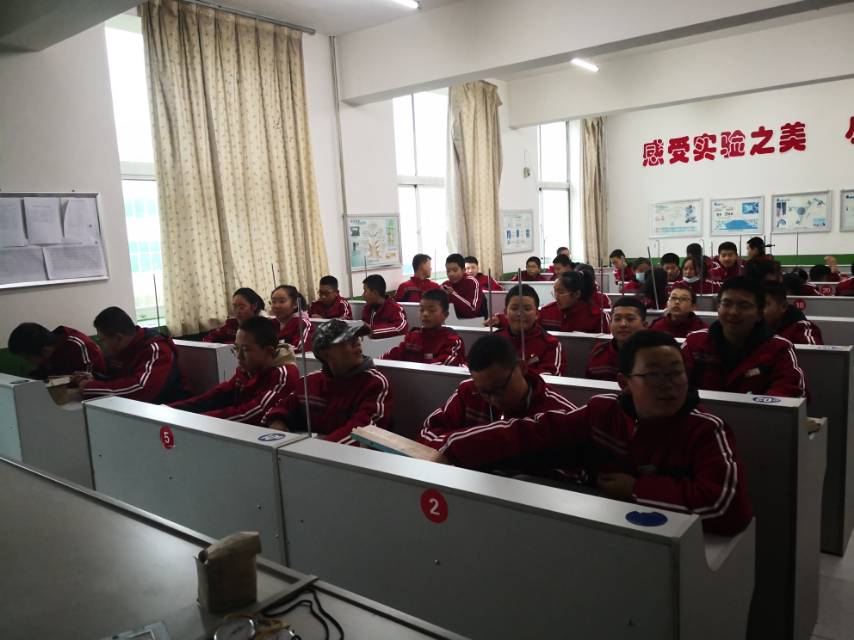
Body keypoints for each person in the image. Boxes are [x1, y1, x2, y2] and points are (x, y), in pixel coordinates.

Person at [428, 330, 754, 535]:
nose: (669, 385)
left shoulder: (706, 429)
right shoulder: (603, 412)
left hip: (684, 545)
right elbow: (535, 431)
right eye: (654, 375)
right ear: (625, 383)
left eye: (676, 373)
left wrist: (636, 489)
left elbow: (725, 507)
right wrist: (452, 449)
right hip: (610, 530)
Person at [418, 334, 576, 477]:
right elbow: (427, 434)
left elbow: (574, 473)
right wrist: (469, 447)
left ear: (521, 368)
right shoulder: (469, 391)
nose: (493, 399)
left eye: (501, 387)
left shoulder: (558, 410)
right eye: (485, 392)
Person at [263, 319, 393, 444]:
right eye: (347, 340)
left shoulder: (374, 383)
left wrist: (319, 449)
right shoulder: (309, 382)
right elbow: (282, 408)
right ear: (325, 354)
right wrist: (277, 425)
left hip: (352, 457)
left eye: (357, 338)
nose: (357, 343)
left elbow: (364, 431)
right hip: (311, 453)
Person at [681, 276, 806, 397]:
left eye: (744, 306)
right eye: (727, 304)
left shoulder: (779, 349)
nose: (733, 312)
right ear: (718, 307)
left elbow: (790, 392)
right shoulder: (695, 343)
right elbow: (676, 385)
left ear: (760, 314)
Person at [170, 317, 300, 425]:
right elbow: (217, 396)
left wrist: (198, 420)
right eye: (236, 348)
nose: (239, 356)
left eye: (246, 350)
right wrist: (171, 409)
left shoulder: (284, 375)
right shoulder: (247, 370)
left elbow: (253, 413)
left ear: (269, 351)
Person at [72, 306, 187, 403]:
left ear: (118, 338)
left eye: (102, 340)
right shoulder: (123, 350)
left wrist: (90, 388)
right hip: (144, 409)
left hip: (172, 409)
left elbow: (141, 389)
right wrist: (94, 378)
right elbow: (119, 378)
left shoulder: (156, 349)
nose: (101, 345)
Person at [381, 289, 466, 366]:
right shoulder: (412, 337)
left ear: (445, 315)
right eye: (422, 310)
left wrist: (414, 368)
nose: (425, 314)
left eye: (431, 310)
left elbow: (444, 367)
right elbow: (393, 355)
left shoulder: (452, 341)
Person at [496, 285, 566, 377]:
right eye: (514, 308)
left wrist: (521, 372)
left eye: (527, 309)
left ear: (537, 314)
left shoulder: (551, 344)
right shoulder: (495, 340)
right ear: (505, 313)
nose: (520, 313)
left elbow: (552, 377)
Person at [8, 322, 105, 379]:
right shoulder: (49, 348)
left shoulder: (78, 346)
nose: (28, 362)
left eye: (28, 358)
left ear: (45, 351)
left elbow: (87, 382)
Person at [585, 297, 647, 381]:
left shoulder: (654, 354)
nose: (623, 324)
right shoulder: (599, 352)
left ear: (644, 325)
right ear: (610, 325)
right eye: (617, 319)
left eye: (630, 319)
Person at [540, 271, 610, 334]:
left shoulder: (597, 317)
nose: (556, 297)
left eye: (561, 292)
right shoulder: (546, 312)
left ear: (577, 294)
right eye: (555, 292)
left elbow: (604, 342)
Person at [270, 285, 313, 352]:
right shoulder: (271, 323)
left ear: (295, 304)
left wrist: (270, 352)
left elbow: (300, 350)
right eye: (273, 302)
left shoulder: (302, 324)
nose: (276, 306)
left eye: (282, 301)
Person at [442, 253, 483, 318]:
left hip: (472, 321)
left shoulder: (472, 282)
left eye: (455, 270)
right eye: (448, 271)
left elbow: (473, 310)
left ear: (463, 270)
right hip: (450, 320)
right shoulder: (445, 285)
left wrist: (453, 294)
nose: (451, 274)